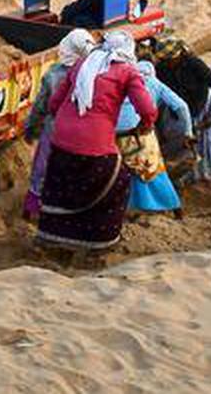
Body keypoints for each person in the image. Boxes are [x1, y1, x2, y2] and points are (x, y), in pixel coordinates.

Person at [38, 30, 156, 255]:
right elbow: (147, 108)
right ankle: (99, 243)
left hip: (61, 138)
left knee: (61, 186)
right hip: (96, 143)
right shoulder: (128, 72)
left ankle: (49, 237)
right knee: (117, 183)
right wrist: (147, 124)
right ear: (128, 51)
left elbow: (55, 103)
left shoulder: (82, 63)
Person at [22, 28, 97, 219]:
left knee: (42, 167)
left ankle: (32, 209)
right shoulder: (94, 73)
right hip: (83, 129)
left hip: (54, 128)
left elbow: (41, 105)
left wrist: (30, 128)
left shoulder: (53, 74)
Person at [150, 37, 211, 197]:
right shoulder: (162, 69)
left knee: (209, 145)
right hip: (181, 109)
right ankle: (188, 180)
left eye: (169, 59)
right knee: (182, 144)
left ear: (179, 56)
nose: (166, 62)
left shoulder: (194, 64)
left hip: (202, 107)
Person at [117, 60, 194, 217]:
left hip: (117, 135)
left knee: (126, 172)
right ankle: (175, 208)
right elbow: (181, 107)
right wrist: (188, 132)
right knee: (154, 170)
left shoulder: (122, 80)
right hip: (143, 133)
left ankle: (131, 207)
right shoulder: (155, 83)